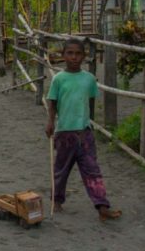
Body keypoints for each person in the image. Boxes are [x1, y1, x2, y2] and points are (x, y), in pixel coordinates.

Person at [46, 39, 122, 222]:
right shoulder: (59, 79)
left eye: (78, 53)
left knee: (92, 170)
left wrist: (87, 122)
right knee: (61, 170)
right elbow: (52, 102)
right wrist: (50, 122)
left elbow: (89, 102)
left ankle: (102, 206)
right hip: (65, 133)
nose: (74, 57)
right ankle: (56, 201)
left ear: (84, 56)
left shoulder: (89, 79)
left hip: (85, 133)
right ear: (63, 55)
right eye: (70, 53)